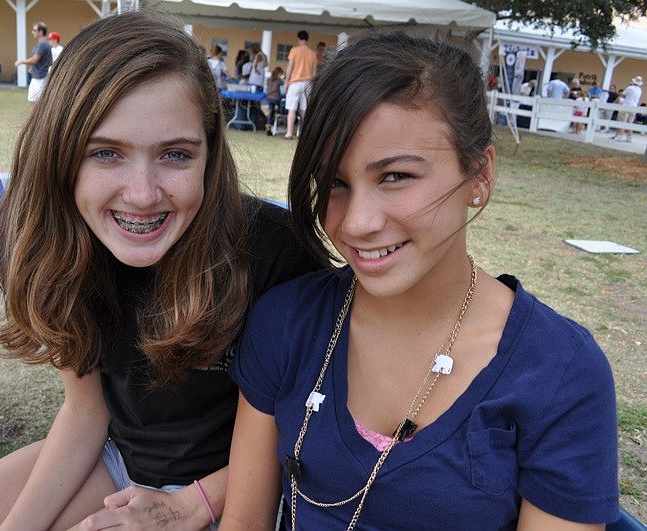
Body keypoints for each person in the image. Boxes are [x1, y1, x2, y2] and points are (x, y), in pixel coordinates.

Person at [0, 11, 318, 531]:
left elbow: (317, 435)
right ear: (61, 155)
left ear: (210, 154)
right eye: (106, 153)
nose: (142, 194)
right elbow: (84, 414)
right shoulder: (57, 248)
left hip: (245, 488)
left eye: (176, 155)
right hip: (119, 466)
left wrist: (191, 505)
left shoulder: (278, 253)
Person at [222, 32, 619, 530]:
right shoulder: (286, 323)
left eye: (395, 177)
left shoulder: (560, 372)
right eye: (335, 184)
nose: (355, 223)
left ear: (479, 174)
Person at [283, 30, 317, 139]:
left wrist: (286, 82)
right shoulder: (312, 53)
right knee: (305, 110)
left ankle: (289, 133)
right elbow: (314, 72)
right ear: (307, 39)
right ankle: (304, 133)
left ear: (298, 38)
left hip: (295, 82)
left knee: (292, 109)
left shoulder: (294, 50)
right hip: (308, 84)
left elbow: (290, 67)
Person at [14, 21, 52, 103]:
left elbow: (35, 60)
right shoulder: (41, 44)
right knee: (32, 102)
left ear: (40, 32)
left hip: (41, 79)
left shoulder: (43, 44)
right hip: (36, 78)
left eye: (34, 30)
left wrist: (21, 61)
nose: (32, 32)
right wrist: (32, 68)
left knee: (40, 105)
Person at [612, 75, 643, 142]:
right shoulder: (640, 90)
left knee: (622, 122)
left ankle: (620, 136)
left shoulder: (630, 87)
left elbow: (622, 94)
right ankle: (629, 137)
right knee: (630, 123)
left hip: (626, 106)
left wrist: (629, 86)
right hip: (634, 107)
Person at [264, 66, 284, 136]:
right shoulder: (280, 81)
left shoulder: (269, 79)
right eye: (281, 73)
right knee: (275, 112)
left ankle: (268, 126)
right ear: (279, 73)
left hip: (268, 98)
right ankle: (273, 126)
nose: (282, 75)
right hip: (276, 99)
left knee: (271, 112)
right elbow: (283, 91)